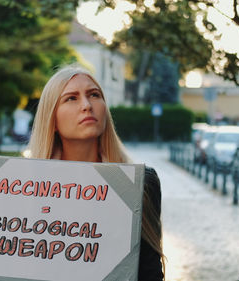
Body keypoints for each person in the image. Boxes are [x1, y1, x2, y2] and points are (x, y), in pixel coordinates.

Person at [26, 64, 165, 280]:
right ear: (51, 119)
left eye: (94, 94)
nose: (87, 105)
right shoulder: (23, 187)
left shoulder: (142, 183)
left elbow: (150, 272)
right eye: (71, 98)